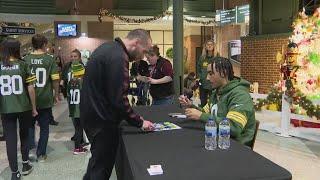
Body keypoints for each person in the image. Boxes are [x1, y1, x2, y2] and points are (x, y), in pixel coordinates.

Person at [81, 29, 155, 180]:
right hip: (102, 121)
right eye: (144, 51)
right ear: (136, 43)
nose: (143, 57)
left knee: (96, 163)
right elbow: (118, 99)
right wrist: (139, 122)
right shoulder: (118, 57)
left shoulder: (108, 48)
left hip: (92, 115)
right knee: (101, 169)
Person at [179, 57, 256, 146]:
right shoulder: (217, 92)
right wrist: (191, 106)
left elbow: (234, 128)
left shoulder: (240, 95)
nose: (207, 78)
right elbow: (205, 112)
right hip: (217, 141)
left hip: (236, 147)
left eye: (211, 74)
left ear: (223, 73)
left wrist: (201, 116)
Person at [0, 39, 38, 180]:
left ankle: (14, 173)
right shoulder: (23, 65)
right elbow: (31, 88)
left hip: (6, 108)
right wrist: (34, 107)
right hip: (23, 107)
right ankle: (25, 164)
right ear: (17, 49)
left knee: (10, 139)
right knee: (24, 135)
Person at [24, 34, 60, 162]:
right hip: (45, 99)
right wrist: (56, 95)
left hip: (28, 101)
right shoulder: (49, 59)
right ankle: (41, 153)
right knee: (44, 127)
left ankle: (31, 150)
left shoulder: (26, 59)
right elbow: (55, 79)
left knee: (29, 126)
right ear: (44, 44)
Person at [61, 49, 88, 151]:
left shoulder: (83, 68)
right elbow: (63, 80)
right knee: (75, 118)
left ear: (80, 57)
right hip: (71, 96)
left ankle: (79, 138)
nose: (73, 58)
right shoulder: (67, 67)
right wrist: (61, 92)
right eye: (71, 56)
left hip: (80, 97)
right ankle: (78, 140)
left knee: (79, 119)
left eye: (75, 56)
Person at [196, 39, 216, 107]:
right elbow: (198, 68)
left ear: (214, 46)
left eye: (211, 44)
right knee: (203, 101)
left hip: (213, 83)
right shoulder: (202, 58)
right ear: (205, 47)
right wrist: (200, 77)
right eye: (208, 44)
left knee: (213, 102)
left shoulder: (217, 57)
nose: (209, 46)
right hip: (203, 83)